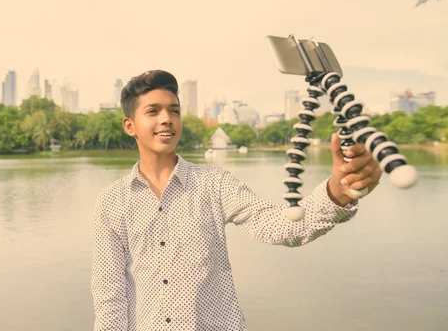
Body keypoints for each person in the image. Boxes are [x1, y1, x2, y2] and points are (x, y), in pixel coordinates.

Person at [91, 70, 382, 330]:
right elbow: (110, 297)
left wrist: (336, 192)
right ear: (129, 126)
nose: (166, 119)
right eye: (152, 111)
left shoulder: (213, 183)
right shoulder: (111, 203)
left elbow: (279, 226)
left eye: (174, 110)